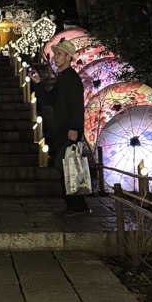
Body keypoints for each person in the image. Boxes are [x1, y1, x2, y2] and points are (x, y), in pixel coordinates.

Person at [45, 39, 88, 215]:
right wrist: (39, 82)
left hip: (69, 130)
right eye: (55, 54)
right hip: (63, 130)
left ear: (69, 57)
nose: (55, 57)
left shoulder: (71, 78)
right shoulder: (63, 78)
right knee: (66, 166)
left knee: (69, 167)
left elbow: (77, 105)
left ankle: (77, 205)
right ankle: (76, 205)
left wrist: (75, 128)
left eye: (60, 54)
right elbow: (50, 100)